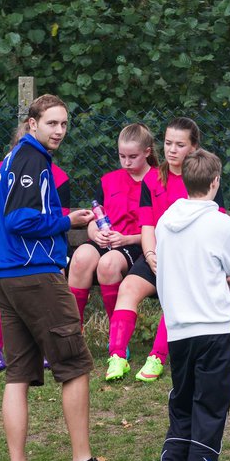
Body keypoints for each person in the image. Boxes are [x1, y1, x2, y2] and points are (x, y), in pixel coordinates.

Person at [0, 94, 132, 461]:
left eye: (64, 124)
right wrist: (66, 219)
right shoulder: (32, 159)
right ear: (31, 123)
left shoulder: (14, 158)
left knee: (17, 375)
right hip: (35, 276)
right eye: (51, 123)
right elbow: (17, 219)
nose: (59, 131)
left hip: (6, 277)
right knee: (75, 366)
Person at [152, 149, 230, 461]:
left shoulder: (165, 221)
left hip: (178, 330)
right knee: (209, 411)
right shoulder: (222, 224)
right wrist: (222, 281)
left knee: (181, 407)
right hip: (215, 329)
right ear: (215, 182)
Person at [105, 116, 202, 383]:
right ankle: (117, 357)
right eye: (168, 143)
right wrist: (150, 255)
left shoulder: (202, 178)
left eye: (179, 145)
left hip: (189, 259)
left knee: (175, 294)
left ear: (193, 148)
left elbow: (211, 223)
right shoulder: (153, 180)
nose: (172, 149)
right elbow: (147, 225)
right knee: (128, 289)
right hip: (156, 255)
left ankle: (157, 357)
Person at [0, 122, 72, 371]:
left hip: (44, 252)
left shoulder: (57, 177)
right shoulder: (0, 172)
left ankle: (47, 344)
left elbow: (57, 221)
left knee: (54, 277)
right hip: (9, 253)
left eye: (63, 124)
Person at [66, 123, 157, 328]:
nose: (126, 162)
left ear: (147, 152)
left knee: (108, 264)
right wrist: (95, 233)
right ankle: (72, 331)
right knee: (80, 258)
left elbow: (160, 229)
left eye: (132, 157)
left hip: (136, 243)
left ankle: (117, 336)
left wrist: (127, 239)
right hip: (107, 240)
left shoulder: (159, 180)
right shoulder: (109, 180)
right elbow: (94, 217)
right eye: (122, 156)